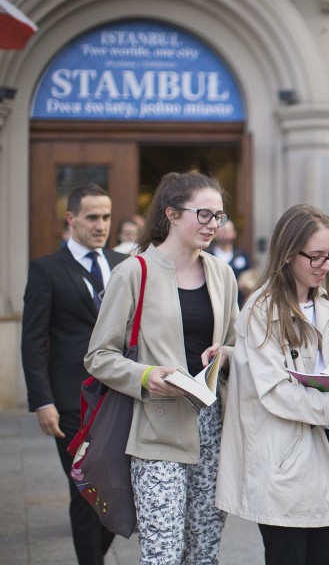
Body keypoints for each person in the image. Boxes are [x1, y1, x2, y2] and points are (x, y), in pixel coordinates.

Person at [216, 204, 329, 565]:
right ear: (289, 254)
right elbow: (275, 392)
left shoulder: (323, 302)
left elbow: (327, 371)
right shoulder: (261, 309)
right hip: (285, 463)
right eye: (317, 257)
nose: (326, 266)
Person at [84, 172, 240, 564]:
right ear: (171, 214)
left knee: (204, 551)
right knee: (162, 553)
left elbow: (239, 347)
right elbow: (98, 356)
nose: (212, 225)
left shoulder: (222, 273)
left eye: (218, 217)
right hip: (155, 430)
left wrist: (226, 354)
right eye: (204, 214)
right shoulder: (134, 272)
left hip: (212, 429)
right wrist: (146, 376)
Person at [21, 183, 126, 565]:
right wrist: (42, 400)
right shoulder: (46, 269)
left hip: (120, 396)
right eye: (92, 217)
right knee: (85, 491)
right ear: (71, 219)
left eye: (107, 217)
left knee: (121, 491)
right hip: (70, 400)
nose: (101, 225)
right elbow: (33, 340)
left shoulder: (122, 263)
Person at [208, 219, 252, 306]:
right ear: (215, 233)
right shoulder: (207, 255)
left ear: (234, 233)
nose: (224, 233)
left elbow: (251, 277)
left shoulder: (242, 255)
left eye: (228, 230)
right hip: (213, 304)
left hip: (237, 303)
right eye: (221, 230)